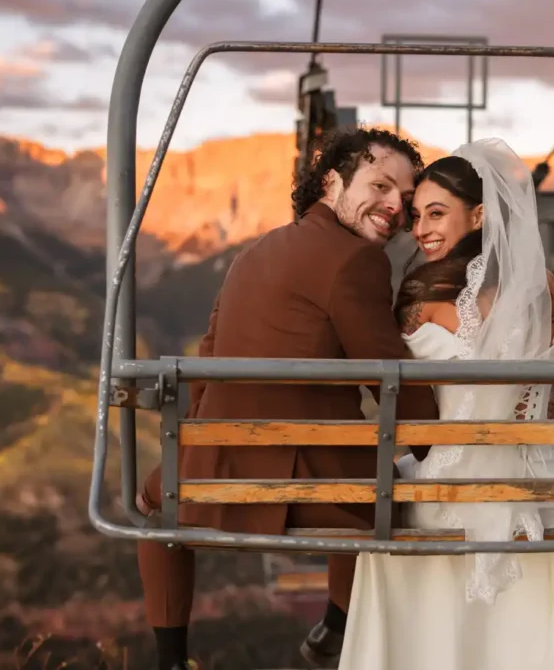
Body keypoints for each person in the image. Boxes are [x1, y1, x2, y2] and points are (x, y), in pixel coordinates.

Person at [337, 139, 554, 670]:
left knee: (386, 513)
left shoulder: (423, 294)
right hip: (545, 487)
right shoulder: (549, 292)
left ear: (481, 214)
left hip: (448, 495)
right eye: (417, 217)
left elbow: (412, 410)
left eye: (436, 213)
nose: (421, 230)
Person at [134, 127, 440, 670]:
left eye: (407, 197)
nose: (395, 206)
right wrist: (435, 438)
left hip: (212, 470)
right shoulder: (357, 260)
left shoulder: (254, 250)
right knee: (385, 495)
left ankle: (170, 658)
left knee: (155, 509)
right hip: (302, 481)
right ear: (331, 181)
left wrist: (188, 458)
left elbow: (205, 358)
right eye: (381, 185)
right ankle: (339, 626)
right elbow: (386, 375)